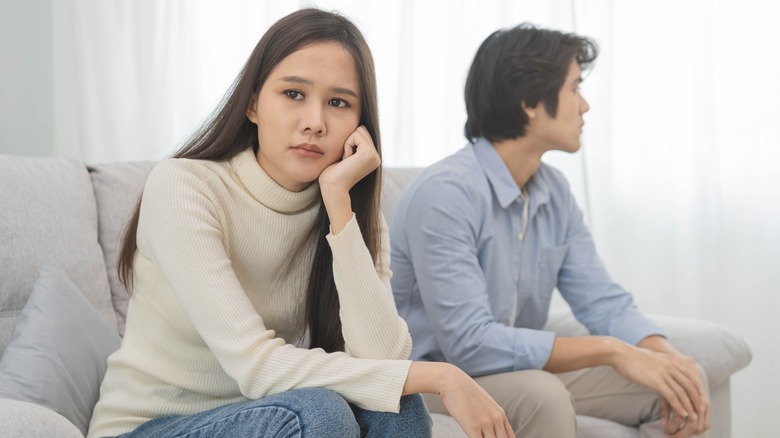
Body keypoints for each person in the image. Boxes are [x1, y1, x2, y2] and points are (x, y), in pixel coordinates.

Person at [88, 8, 513, 438]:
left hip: (269, 416)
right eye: (294, 94)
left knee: (400, 410)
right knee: (319, 412)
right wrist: (443, 376)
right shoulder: (186, 186)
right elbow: (255, 366)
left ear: (359, 126)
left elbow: (382, 358)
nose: (315, 122)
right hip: (149, 427)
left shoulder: (349, 211)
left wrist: (338, 204)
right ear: (252, 103)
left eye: (338, 103)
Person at [390, 23, 711, 438]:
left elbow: (603, 302)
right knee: (544, 393)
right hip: (434, 380)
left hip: (507, 370)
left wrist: (663, 355)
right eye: (575, 88)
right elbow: (470, 344)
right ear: (529, 102)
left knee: (686, 380)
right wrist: (613, 350)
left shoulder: (554, 192)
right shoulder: (445, 194)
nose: (585, 106)